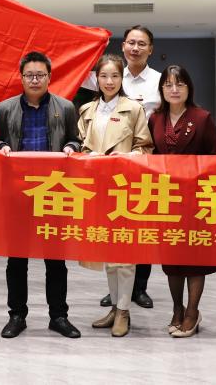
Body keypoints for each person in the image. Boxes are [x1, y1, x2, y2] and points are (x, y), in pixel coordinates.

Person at [0, 51, 83, 339]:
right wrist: (1, 146)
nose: (34, 80)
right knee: (17, 260)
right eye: (29, 75)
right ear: (21, 77)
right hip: (17, 193)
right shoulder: (5, 108)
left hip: (54, 192)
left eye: (40, 75)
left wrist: (71, 148)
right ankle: (17, 315)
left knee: (55, 260)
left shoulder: (65, 107)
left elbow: (75, 139)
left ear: (49, 77)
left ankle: (59, 316)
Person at [85, 25, 161, 309]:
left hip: (142, 159)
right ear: (123, 46)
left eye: (141, 44)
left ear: (150, 48)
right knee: (112, 229)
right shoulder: (111, 76)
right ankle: (116, 289)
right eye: (131, 42)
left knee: (140, 227)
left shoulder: (159, 80)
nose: (135, 48)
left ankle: (138, 288)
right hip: (106, 168)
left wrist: (134, 155)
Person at [77, 54, 153, 338]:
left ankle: (123, 310)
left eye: (115, 76)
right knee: (107, 251)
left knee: (125, 254)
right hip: (96, 188)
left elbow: (145, 146)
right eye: (104, 76)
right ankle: (114, 306)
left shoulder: (133, 108)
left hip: (124, 187)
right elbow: (79, 144)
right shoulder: (87, 109)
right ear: (96, 79)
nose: (109, 81)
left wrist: (130, 156)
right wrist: (88, 156)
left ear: (122, 78)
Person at [149, 65, 216, 339]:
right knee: (172, 259)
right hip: (167, 199)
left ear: (189, 88)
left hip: (196, 199)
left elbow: (215, 157)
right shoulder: (155, 118)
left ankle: (192, 311)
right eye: (168, 84)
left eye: (180, 84)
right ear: (162, 89)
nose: (174, 89)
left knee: (195, 259)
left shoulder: (202, 118)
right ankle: (177, 309)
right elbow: (151, 155)